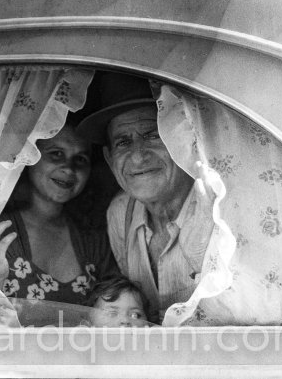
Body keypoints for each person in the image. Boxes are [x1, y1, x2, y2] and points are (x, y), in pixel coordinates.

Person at [77, 75, 219, 323]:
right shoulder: (121, 212)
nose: (138, 156)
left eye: (153, 135)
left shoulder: (216, 208)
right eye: (123, 142)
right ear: (110, 160)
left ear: (183, 143)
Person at [0, 121, 118, 305]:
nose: (69, 168)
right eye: (56, 154)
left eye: (80, 159)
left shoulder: (93, 240)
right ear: (29, 157)